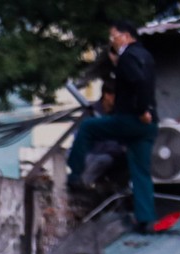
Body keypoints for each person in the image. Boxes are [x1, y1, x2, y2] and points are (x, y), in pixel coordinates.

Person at [66, 20, 158, 231]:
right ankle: (146, 221)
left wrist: (141, 109)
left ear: (125, 36)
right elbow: (143, 80)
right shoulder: (146, 55)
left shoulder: (128, 56)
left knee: (89, 128)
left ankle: (75, 175)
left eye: (113, 37)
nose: (112, 41)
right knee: (141, 171)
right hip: (149, 124)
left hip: (131, 119)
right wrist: (147, 111)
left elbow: (139, 82)